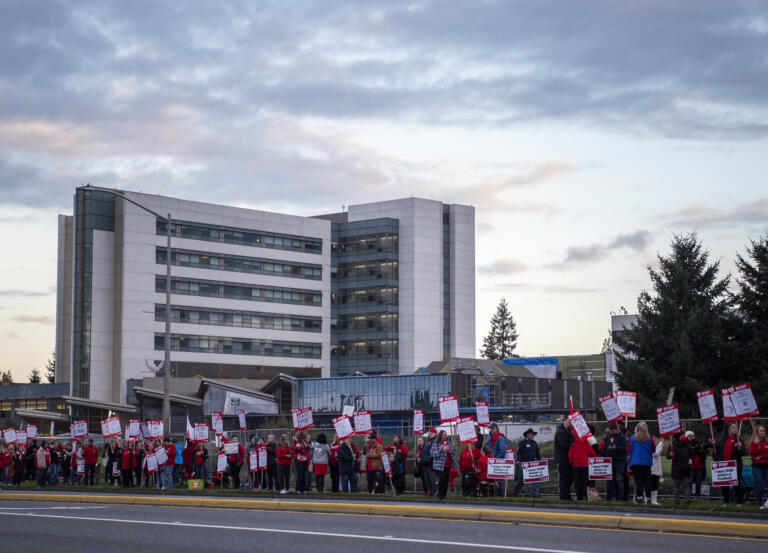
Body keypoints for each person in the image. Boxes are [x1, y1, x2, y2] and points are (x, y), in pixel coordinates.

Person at [715, 422, 744, 506]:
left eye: (736, 428)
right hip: (724, 465)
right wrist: (714, 444)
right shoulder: (722, 438)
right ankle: (726, 501)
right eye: (733, 428)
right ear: (728, 429)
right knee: (724, 484)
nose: (735, 429)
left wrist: (740, 447)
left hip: (735, 465)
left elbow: (742, 453)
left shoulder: (738, 439)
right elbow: (717, 451)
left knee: (736, 483)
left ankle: (739, 501)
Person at [628, 421, 655, 504]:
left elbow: (627, 449)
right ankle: (648, 498)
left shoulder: (632, 438)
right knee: (647, 481)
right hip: (646, 462)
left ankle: (639, 497)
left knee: (638, 481)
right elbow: (653, 450)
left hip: (635, 462)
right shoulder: (650, 439)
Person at [600, 422, 627, 501]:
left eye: (612, 431)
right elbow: (604, 448)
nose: (611, 433)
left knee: (619, 479)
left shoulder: (622, 437)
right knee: (609, 480)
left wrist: (616, 448)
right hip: (609, 461)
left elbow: (625, 449)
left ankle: (620, 498)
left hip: (619, 460)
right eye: (610, 431)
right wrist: (603, 455)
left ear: (616, 430)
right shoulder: (608, 437)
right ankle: (609, 497)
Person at [568, 431, 597, 500]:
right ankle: (586, 496)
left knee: (577, 482)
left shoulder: (573, 444)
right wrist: (596, 458)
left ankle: (579, 496)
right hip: (585, 465)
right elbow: (591, 452)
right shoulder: (585, 443)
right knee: (585, 482)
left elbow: (570, 455)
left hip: (576, 465)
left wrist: (572, 462)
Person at [430, 430, 458, 500]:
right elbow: (432, 454)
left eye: (446, 434)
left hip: (447, 465)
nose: (446, 436)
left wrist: (453, 449)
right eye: (444, 435)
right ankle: (439, 494)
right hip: (439, 465)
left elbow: (452, 454)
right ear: (441, 435)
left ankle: (444, 495)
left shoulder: (448, 443)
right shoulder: (436, 443)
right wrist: (439, 450)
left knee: (446, 480)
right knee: (441, 478)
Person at [513, 428, 541, 498]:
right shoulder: (522, 443)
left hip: (533, 465)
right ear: (527, 435)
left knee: (535, 480)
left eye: (532, 434)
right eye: (530, 434)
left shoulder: (534, 443)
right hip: (524, 464)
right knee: (520, 481)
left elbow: (537, 454)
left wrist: (540, 462)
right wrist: (518, 460)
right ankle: (514, 494)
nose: (532, 435)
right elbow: (518, 452)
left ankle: (535, 495)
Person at [667, 432, 691, 505]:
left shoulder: (687, 444)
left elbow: (691, 454)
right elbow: (668, 456)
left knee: (686, 485)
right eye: (682, 435)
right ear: (678, 436)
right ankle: (676, 501)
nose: (684, 436)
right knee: (676, 486)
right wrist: (670, 454)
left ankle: (686, 500)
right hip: (677, 469)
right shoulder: (672, 445)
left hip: (685, 468)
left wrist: (690, 459)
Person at [555, 418, 574, 500]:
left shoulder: (565, 432)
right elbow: (563, 444)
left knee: (567, 479)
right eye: (572, 425)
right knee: (564, 479)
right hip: (563, 460)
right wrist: (573, 445)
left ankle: (566, 496)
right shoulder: (561, 432)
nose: (573, 427)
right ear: (568, 423)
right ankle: (564, 497)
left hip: (566, 460)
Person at [749, 425, 768, 509]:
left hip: (766, 467)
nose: (763, 432)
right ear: (756, 432)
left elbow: (765, 454)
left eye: (763, 430)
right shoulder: (753, 442)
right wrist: (755, 444)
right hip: (757, 467)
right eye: (760, 431)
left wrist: (761, 455)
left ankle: (767, 503)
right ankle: (760, 503)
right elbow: (752, 453)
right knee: (759, 485)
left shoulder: (767, 442)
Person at [687, 431, 710, 498]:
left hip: (699, 466)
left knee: (698, 481)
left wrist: (702, 450)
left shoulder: (699, 444)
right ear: (687, 437)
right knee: (690, 480)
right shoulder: (685, 445)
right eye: (689, 436)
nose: (692, 437)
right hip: (691, 466)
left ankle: (697, 495)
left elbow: (706, 452)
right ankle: (689, 495)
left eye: (693, 436)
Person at [487, 422, 508, 496]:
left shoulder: (500, 438)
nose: (491, 430)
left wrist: (496, 460)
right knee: (491, 480)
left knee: (499, 481)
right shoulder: (489, 437)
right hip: (489, 462)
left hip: (497, 463)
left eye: (492, 428)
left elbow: (503, 450)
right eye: (490, 428)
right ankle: (492, 494)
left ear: (497, 429)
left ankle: (500, 495)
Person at [419, 429, 438, 496]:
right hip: (426, 463)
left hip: (431, 463)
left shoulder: (435, 441)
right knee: (427, 479)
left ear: (434, 433)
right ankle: (430, 492)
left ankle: (434, 492)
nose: (428, 433)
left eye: (430, 432)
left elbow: (432, 451)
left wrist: (428, 459)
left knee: (432, 478)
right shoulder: (429, 441)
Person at [650, 433, 664, 505]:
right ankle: (648, 499)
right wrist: (661, 443)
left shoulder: (657, 446)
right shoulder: (652, 447)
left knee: (655, 486)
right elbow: (655, 453)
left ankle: (654, 500)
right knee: (649, 485)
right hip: (651, 469)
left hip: (656, 470)